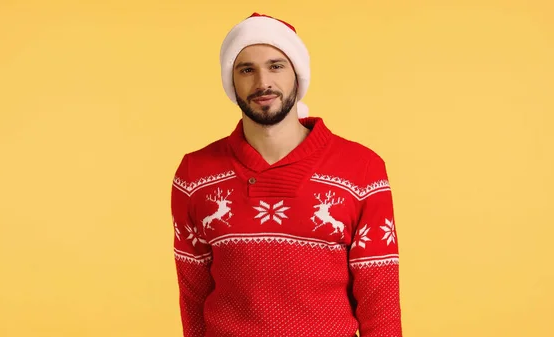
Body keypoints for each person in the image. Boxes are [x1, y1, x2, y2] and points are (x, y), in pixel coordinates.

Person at [171, 12, 402, 337]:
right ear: (230, 81)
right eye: (246, 69)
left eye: (276, 66)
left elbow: (381, 305)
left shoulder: (362, 170)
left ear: (297, 74)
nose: (262, 82)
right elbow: (193, 297)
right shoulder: (195, 175)